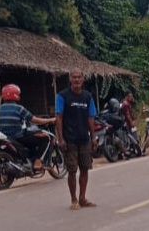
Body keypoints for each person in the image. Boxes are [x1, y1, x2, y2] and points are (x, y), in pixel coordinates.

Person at [55, 68, 97, 210]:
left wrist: (93, 137)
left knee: (85, 169)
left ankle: (82, 198)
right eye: (74, 77)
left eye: (79, 77)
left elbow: (91, 118)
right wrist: (60, 138)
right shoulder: (62, 96)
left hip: (84, 138)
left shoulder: (88, 97)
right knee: (72, 170)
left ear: (83, 79)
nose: (77, 80)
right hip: (69, 139)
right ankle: (74, 199)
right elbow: (58, 117)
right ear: (70, 79)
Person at [0, 84, 56, 171]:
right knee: (46, 138)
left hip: (6, 137)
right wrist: (50, 120)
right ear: (16, 95)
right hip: (18, 137)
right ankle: (37, 162)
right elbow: (35, 120)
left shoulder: (0, 109)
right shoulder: (19, 108)